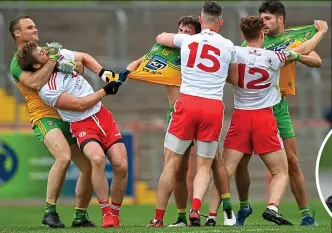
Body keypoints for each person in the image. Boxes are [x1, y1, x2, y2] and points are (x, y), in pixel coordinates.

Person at [206, 17, 328, 226]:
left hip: (241, 117)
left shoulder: (234, 51)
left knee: (225, 171)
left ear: (243, 36)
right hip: (264, 117)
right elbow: (305, 48)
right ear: (262, 34)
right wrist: (321, 32)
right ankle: (272, 207)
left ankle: (210, 216)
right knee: (280, 171)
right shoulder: (275, 56)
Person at [17, 41, 129, 228]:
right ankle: (106, 214)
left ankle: (115, 214)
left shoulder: (58, 55)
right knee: (97, 158)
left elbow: (84, 57)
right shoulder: (47, 90)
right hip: (82, 124)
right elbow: (79, 105)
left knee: (121, 165)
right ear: (37, 65)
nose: (46, 51)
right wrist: (105, 91)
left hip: (103, 116)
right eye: (40, 52)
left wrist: (103, 73)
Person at [146, 1, 238, 227]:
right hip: (212, 107)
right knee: (205, 165)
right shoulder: (229, 46)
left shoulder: (187, 40)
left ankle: (158, 218)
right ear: (221, 22)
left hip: (187, 103)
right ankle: (196, 209)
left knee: (171, 164)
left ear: (200, 19)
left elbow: (160, 38)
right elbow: (235, 79)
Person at [9, 16, 96, 228]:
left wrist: (70, 64)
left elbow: (80, 69)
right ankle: (50, 212)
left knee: (89, 166)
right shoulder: (16, 62)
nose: (35, 28)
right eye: (29, 27)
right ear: (17, 34)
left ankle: (80, 216)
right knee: (63, 156)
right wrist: (53, 61)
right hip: (44, 117)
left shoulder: (46, 51)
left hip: (67, 115)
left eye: (35, 25)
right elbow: (35, 82)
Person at [126, 16, 201, 227]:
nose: (183, 32)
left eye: (188, 30)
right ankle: (180, 217)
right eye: (180, 29)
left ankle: (214, 213)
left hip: (197, 111)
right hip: (178, 113)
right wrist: (123, 75)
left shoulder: (200, 51)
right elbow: (139, 62)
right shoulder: (167, 49)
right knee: (179, 170)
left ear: (196, 34)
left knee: (209, 166)